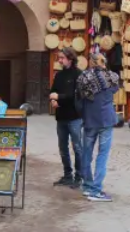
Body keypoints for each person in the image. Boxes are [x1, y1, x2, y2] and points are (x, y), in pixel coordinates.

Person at [78, 52, 121, 202]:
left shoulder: (83, 77)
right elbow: (115, 90)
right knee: (102, 154)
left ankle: (88, 186)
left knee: (87, 153)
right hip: (106, 119)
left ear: (91, 62)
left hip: (90, 119)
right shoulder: (113, 77)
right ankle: (96, 190)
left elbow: (80, 95)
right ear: (104, 62)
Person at [49, 47, 83, 188]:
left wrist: (59, 97)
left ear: (70, 58)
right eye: (59, 58)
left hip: (74, 117)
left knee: (77, 148)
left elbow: (75, 96)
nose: (60, 60)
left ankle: (79, 177)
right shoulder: (59, 75)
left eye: (62, 58)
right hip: (61, 117)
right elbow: (53, 91)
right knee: (63, 148)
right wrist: (53, 100)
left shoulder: (78, 74)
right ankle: (67, 175)